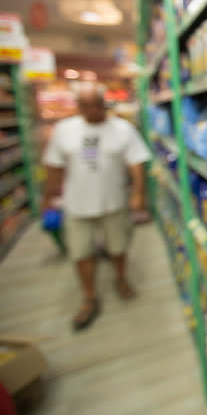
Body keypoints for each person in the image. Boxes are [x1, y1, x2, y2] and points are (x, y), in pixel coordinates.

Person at [42, 83, 151, 331]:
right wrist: (49, 197)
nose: (92, 110)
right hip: (76, 205)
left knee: (119, 245)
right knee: (81, 253)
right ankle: (89, 296)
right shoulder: (64, 131)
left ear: (104, 104)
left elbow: (136, 163)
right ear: (78, 107)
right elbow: (53, 166)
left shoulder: (123, 129)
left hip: (114, 201)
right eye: (86, 106)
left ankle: (121, 279)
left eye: (96, 105)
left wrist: (138, 193)